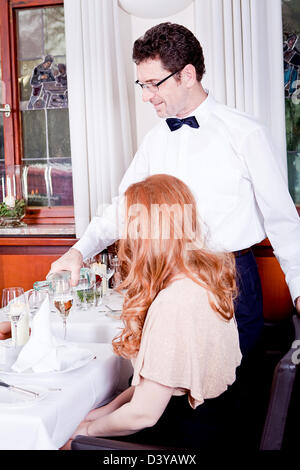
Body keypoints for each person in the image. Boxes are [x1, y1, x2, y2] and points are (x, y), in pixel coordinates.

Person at [49, 22, 300, 358]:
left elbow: (283, 222)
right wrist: (79, 251)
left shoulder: (245, 133)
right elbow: (124, 208)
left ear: (187, 75)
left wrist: (298, 292)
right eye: (142, 84)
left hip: (231, 280)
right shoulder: (154, 141)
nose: (145, 96)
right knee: (171, 394)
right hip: (168, 280)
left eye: (153, 84)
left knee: (231, 398)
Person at [62, 174, 242, 450]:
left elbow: (143, 414)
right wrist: (105, 411)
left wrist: (84, 431)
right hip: (217, 426)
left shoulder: (172, 304)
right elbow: (159, 381)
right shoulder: (205, 279)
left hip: (181, 440)